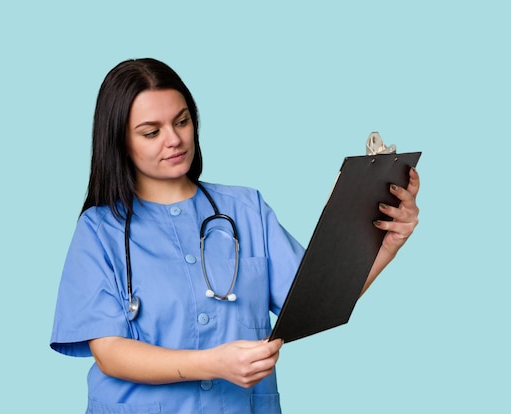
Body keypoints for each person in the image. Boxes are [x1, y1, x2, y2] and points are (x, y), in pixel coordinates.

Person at [50, 58, 420, 414]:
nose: (174, 140)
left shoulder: (247, 209)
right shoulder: (100, 230)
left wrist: (385, 246)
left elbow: (318, 299)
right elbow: (110, 351)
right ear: (119, 141)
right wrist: (212, 364)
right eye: (151, 132)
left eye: (182, 122)